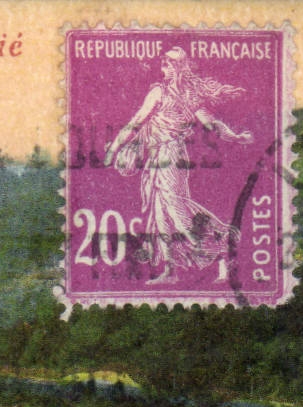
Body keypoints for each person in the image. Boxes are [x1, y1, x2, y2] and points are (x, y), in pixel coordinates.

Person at [103, 48, 253, 283]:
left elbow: (211, 124)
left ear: (179, 67)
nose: (163, 67)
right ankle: (170, 270)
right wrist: (114, 147)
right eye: (163, 63)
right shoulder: (160, 91)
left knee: (176, 209)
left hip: (171, 154)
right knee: (161, 214)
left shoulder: (181, 95)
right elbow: (136, 123)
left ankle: (223, 249)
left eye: (168, 63)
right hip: (156, 157)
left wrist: (235, 137)